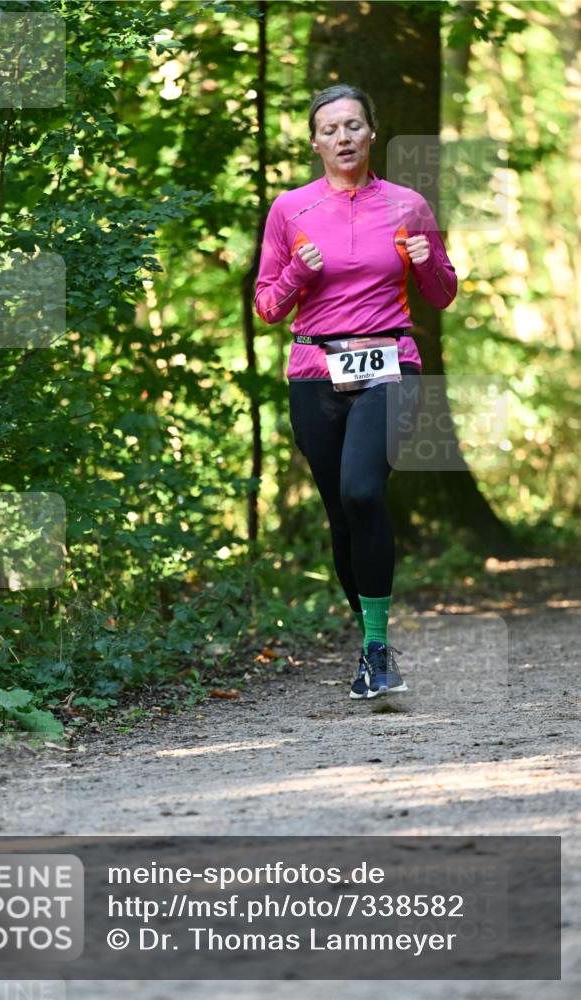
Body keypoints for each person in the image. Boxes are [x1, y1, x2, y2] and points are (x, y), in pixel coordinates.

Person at [254, 84, 457, 699]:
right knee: (342, 514)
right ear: (314, 142)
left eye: (353, 126)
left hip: (391, 363)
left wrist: (425, 261)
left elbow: (442, 293)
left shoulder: (406, 205)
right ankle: (371, 645)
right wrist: (299, 270)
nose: (343, 138)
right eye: (330, 129)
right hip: (316, 374)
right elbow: (267, 305)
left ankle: (376, 650)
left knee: (363, 492)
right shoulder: (290, 209)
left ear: (372, 134)